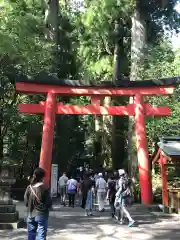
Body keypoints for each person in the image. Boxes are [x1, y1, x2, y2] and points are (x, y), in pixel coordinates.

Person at [24, 168, 52, 240]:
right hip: (41, 213)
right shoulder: (44, 187)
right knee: (41, 233)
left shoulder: (29, 187)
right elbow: (49, 202)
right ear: (43, 177)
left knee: (31, 233)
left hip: (30, 213)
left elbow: (26, 202)